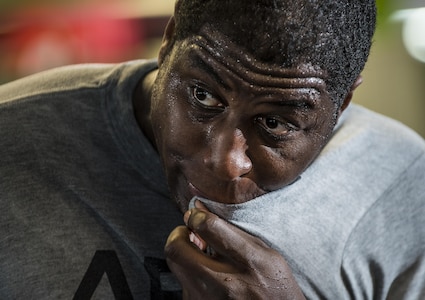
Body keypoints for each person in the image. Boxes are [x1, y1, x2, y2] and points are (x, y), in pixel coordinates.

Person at [0, 0, 424, 299]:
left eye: (275, 124)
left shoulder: (400, 183)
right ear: (168, 43)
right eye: (202, 96)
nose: (223, 160)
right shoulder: (14, 140)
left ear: (342, 105)